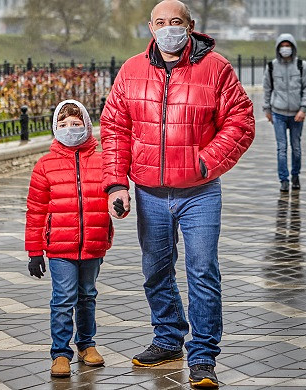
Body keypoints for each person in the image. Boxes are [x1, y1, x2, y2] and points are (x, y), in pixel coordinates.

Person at [99, 0, 255, 387]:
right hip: (149, 192)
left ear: (190, 25)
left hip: (200, 193)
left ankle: (202, 357)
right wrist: (116, 183)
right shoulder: (132, 70)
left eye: (176, 22)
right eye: (161, 22)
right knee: (155, 271)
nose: (169, 28)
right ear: (150, 27)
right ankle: (168, 339)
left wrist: (207, 161)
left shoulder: (215, 68)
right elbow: (114, 128)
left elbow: (241, 121)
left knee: (202, 272)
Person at [25, 100, 113, 377]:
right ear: (55, 129)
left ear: (86, 126)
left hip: (93, 242)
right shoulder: (45, 165)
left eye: (75, 124)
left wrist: (119, 207)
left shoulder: (102, 161)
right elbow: (36, 209)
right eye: (63, 125)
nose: (69, 129)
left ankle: (86, 345)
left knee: (87, 295)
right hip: (59, 247)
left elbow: (115, 197)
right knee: (63, 299)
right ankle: (60, 352)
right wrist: (34, 251)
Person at [263, 33, 306, 192]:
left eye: (288, 46)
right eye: (282, 46)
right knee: (281, 148)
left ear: (293, 47)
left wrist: (303, 109)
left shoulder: (301, 66)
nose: (285, 49)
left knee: (296, 148)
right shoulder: (271, 66)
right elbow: (267, 89)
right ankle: (283, 180)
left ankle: (295, 175)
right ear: (278, 48)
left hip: (296, 115)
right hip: (278, 113)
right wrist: (267, 109)